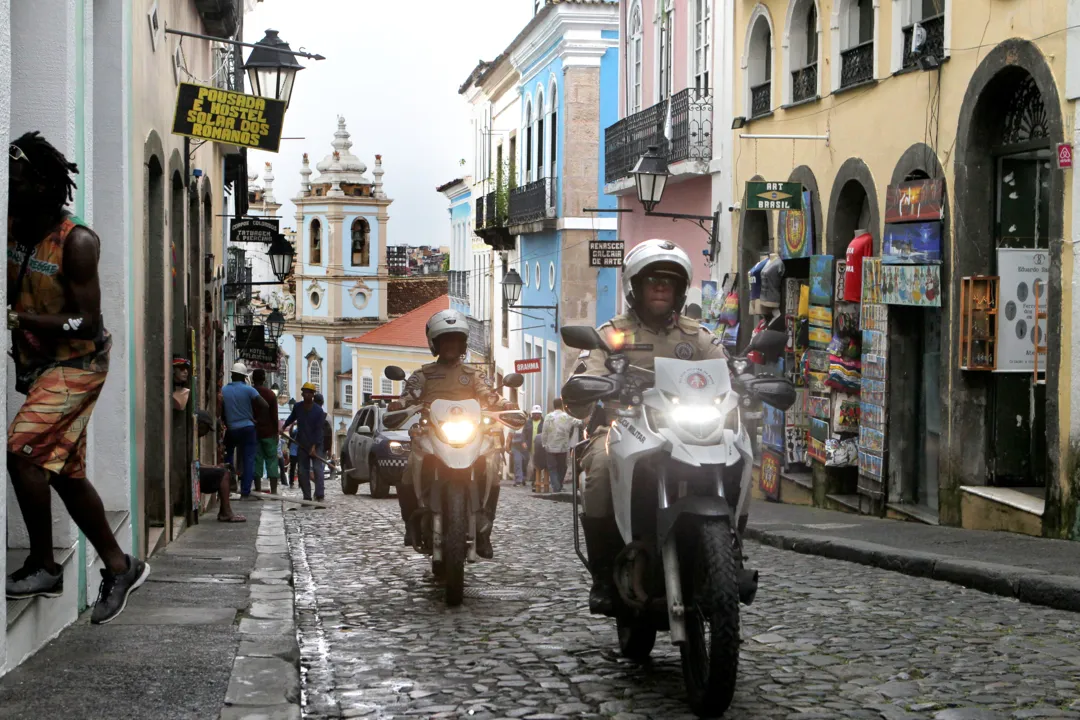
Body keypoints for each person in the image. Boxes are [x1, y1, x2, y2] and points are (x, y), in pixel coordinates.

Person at [4, 131, 149, 624]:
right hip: (41, 367)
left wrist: (21, 321)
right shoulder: (15, 229)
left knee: (22, 451)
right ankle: (119, 565)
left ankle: (44, 564)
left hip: (79, 366)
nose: (10, 187)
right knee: (64, 472)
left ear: (46, 185)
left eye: (19, 181)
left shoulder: (78, 242)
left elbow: (88, 323)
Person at [570, 239, 728, 615]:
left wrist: (747, 382)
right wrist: (590, 385)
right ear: (635, 287)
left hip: (686, 432)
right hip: (623, 428)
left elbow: (727, 372)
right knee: (599, 470)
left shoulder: (698, 337)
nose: (660, 287)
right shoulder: (612, 336)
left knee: (736, 453)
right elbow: (586, 374)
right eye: (652, 279)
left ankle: (728, 554)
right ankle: (605, 576)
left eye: (668, 282)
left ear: (678, 290)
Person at [389, 309, 515, 559]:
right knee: (406, 476)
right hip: (432, 435)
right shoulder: (422, 375)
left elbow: (489, 395)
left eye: (455, 340)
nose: (450, 345)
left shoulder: (474, 375)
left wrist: (504, 405)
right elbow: (409, 397)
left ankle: (484, 531)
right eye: (445, 340)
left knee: (492, 472)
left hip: (469, 436)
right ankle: (410, 524)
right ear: (435, 344)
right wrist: (399, 405)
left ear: (463, 344)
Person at [219, 362, 269, 499]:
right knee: (249, 460)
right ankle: (245, 491)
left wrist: (225, 419)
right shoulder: (249, 390)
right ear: (243, 377)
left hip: (232, 428)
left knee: (227, 457)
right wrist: (257, 419)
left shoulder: (224, 390)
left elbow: (221, 409)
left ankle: (230, 483)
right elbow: (265, 405)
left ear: (232, 375)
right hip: (247, 428)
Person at [195, 410, 245, 523]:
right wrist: (215, 468)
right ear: (200, 425)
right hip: (191, 475)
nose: (206, 433)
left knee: (223, 470)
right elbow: (194, 465)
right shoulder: (189, 439)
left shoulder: (194, 440)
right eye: (206, 429)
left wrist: (215, 466)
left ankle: (224, 511)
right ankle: (226, 512)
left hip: (194, 472)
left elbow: (197, 463)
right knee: (224, 473)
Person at [282, 382, 327, 501]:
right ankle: (307, 496)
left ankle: (319, 494)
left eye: (309, 393)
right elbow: (291, 418)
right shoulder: (298, 407)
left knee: (317, 469)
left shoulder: (318, 412)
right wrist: (283, 427)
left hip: (316, 444)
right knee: (302, 471)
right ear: (302, 393)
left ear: (313, 395)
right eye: (304, 392)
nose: (306, 394)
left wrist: (313, 447)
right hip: (302, 444)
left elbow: (318, 431)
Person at [250, 368, 281, 495]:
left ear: (252, 379)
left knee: (257, 460)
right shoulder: (270, 394)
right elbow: (274, 416)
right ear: (264, 379)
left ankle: (257, 489)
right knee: (272, 461)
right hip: (269, 433)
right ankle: (273, 490)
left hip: (255, 432)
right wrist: (276, 433)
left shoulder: (251, 393)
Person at [541, 398, 582, 493]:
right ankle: (558, 485)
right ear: (562, 405)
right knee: (562, 467)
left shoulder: (548, 417)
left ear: (554, 406)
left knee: (552, 468)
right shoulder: (567, 416)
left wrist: (544, 443)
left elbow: (544, 432)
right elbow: (579, 423)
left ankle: (556, 486)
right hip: (563, 447)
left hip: (550, 447)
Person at [524, 405, 547, 492]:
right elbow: (524, 433)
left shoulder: (544, 422)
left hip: (541, 448)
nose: (536, 415)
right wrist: (523, 442)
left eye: (538, 414)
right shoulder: (528, 423)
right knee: (532, 466)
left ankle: (537, 482)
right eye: (535, 414)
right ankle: (534, 482)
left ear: (540, 414)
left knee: (539, 465)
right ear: (532, 414)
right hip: (531, 448)